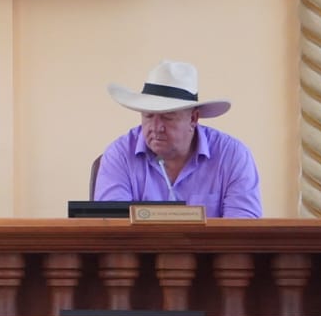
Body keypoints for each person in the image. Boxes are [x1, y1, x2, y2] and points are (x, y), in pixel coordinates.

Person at [92, 60, 262, 218]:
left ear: (193, 119)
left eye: (167, 117)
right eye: (148, 116)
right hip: (139, 251)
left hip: (212, 251)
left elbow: (242, 235)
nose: (156, 127)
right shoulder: (119, 155)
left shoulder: (232, 157)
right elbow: (112, 232)